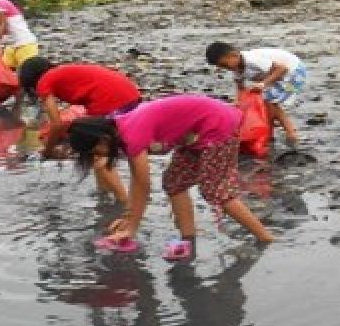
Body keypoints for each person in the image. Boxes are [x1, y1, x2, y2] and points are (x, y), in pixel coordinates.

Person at [67, 94, 275, 262]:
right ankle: (188, 240)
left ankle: (265, 238)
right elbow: (136, 181)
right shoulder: (119, 127)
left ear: (103, 139)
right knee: (174, 183)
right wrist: (129, 217)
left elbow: (142, 184)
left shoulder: (130, 133)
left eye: (96, 152)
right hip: (198, 132)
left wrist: (131, 227)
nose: (99, 157)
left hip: (219, 125)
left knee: (215, 190)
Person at [18, 57, 142, 202]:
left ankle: (124, 204)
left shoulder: (44, 81)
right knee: (95, 150)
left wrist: (48, 151)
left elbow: (56, 124)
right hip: (129, 94)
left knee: (100, 157)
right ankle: (103, 196)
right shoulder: (60, 73)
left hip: (111, 100)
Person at [205, 41, 307, 148]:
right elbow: (240, 89)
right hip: (279, 76)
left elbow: (282, 68)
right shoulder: (237, 70)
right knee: (267, 103)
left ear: (234, 55)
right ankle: (269, 134)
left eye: (224, 65)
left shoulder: (252, 60)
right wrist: (239, 104)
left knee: (271, 102)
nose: (225, 68)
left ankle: (291, 133)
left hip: (295, 73)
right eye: (221, 67)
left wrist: (263, 84)